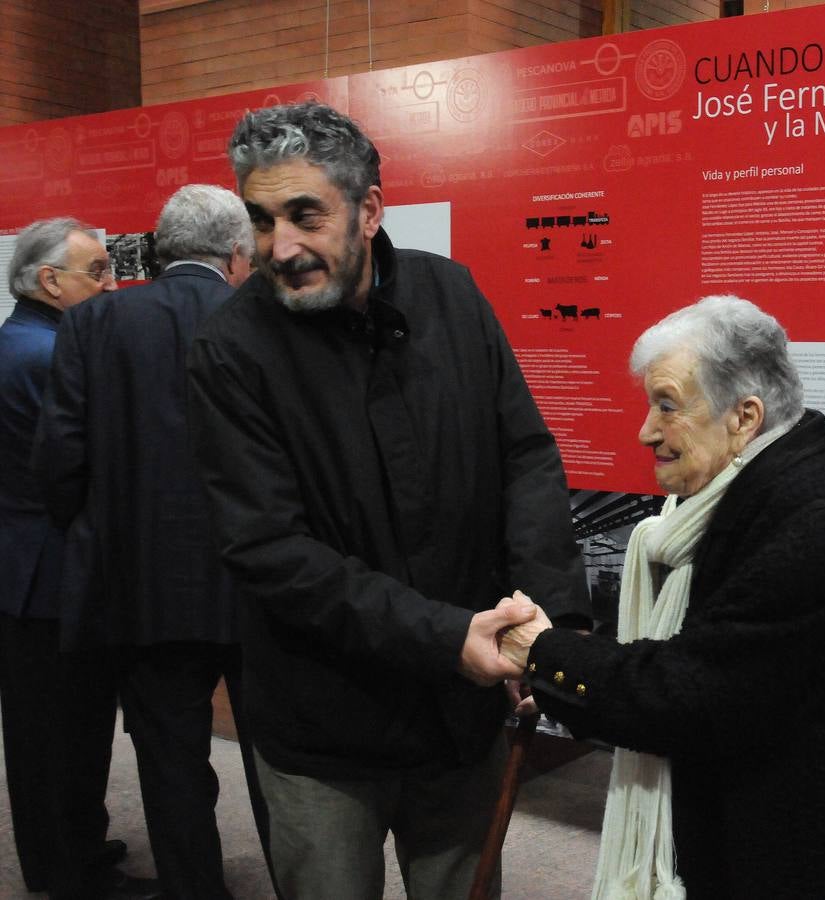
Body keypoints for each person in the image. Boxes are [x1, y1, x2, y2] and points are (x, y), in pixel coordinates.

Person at [185, 101, 590, 900]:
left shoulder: (451, 294)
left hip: (460, 717)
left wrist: (547, 625)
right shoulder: (229, 351)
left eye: (306, 215)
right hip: (322, 732)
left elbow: (525, 456)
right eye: (263, 221)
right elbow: (270, 551)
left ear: (369, 209)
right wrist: (447, 637)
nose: (282, 247)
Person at [501, 295, 825, 897]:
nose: (646, 431)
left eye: (668, 406)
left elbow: (687, 693)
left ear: (744, 417)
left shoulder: (814, 521)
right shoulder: (761, 496)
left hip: (808, 859)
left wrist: (538, 650)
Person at [32, 185, 267, 900]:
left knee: (169, 761)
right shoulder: (272, 321)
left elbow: (59, 459)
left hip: (142, 585)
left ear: (161, 250)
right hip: (267, 585)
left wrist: (95, 535)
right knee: (284, 764)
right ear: (236, 254)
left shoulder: (94, 324)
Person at [0, 218, 158, 899]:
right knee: (61, 733)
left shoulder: (27, 341)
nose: (111, 283)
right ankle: (72, 873)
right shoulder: (43, 354)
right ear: (48, 280)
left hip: (30, 566)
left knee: (56, 730)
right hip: (49, 572)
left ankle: (72, 850)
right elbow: (81, 465)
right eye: (97, 271)